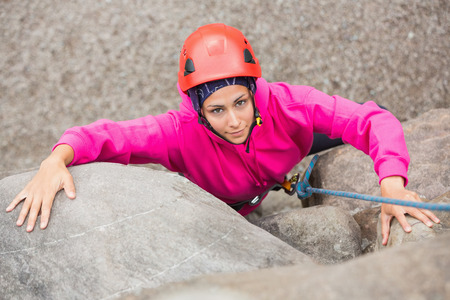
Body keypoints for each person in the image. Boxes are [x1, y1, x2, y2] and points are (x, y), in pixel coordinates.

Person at [6, 23, 439, 246]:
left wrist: (391, 184)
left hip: (287, 152)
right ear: (196, 108)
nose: (232, 120)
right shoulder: (176, 133)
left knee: (378, 112)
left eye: (240, 103)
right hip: (229, 205)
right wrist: (54, 161)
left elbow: (372, 122)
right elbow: (106, 136)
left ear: (254, 92)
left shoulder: (289, 104)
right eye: (216, 109)